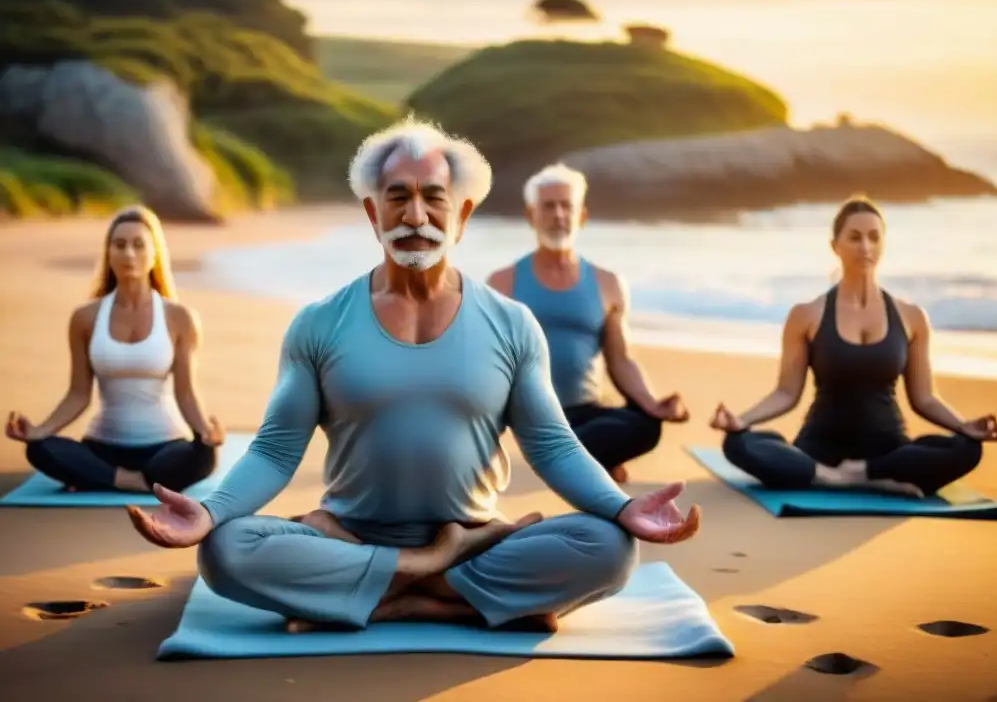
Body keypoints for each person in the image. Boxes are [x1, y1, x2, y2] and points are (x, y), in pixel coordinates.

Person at [125, 118, 701, 635]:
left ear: (463, 214)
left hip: (473, 538)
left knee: (610, 548)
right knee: (226, 550)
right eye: (397, 197)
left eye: (434, 198)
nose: (417, 216)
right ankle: (439, 587)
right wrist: (213, 510)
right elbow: (276, 450)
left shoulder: (512, 324)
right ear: (373, 213)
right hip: (354, 538)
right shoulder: (319, 323)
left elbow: (551, 445)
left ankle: (383, 600)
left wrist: (621, 507)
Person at [709, 196, 997, 497]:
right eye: (854, 237)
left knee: (968, 449)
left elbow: (925, 398)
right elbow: (786, 392)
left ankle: (862, 474)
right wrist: (742, 420)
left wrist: (964, 425)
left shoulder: (912, 317)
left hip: (888, 451)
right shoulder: (807, 315)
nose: (865, 247)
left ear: (883, 244)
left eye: (873, 237)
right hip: (818, 450)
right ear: (835, 245)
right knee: (737, 443)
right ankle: (829, 475)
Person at [487, 163, 688, 485]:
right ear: (531, 215)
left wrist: (652, 403)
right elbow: (490, 364)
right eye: (548, 206)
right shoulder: (502, 282)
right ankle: (583, 459)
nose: (558, 215)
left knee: (646, 424)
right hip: (534, 416)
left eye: (567, 206)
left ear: (581, 216)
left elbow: (620, 359)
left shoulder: (607, 283)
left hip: (587, 414)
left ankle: (568, 458)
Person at [5, 205, 223, 494]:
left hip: (164, 447)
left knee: (203, 456)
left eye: (138, 244)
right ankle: (135, 482)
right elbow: (79, 393)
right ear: (108, 253)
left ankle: (107, 479)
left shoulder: (179, 318)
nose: (129, 254)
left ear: (154, 253)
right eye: (119, 245)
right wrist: (39, 431)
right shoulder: (85, 318)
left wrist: (204, 430)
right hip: (103, 447)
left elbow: (185, 391)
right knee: (39, 449)